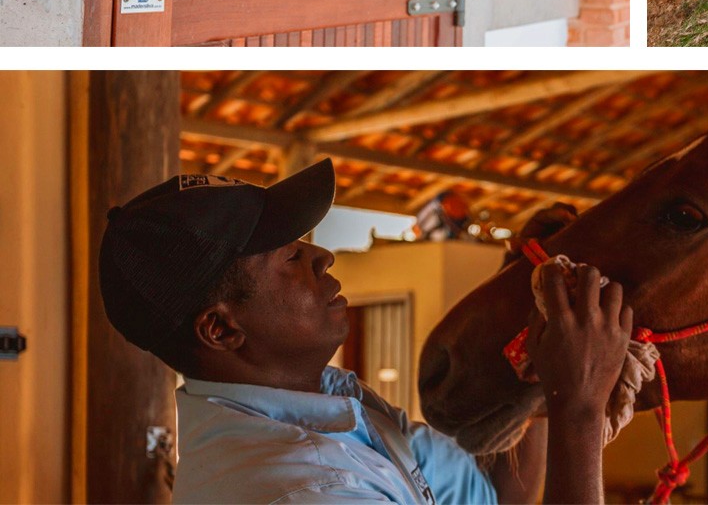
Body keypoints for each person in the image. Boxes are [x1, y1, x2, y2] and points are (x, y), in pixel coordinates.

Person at [99, 159, 631, 504]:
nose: (322, 255)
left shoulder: (333, 409)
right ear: (221, 329)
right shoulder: (305, 489)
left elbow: (495, 495)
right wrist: (579, 407)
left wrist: (526, 313)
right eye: (287, 255)